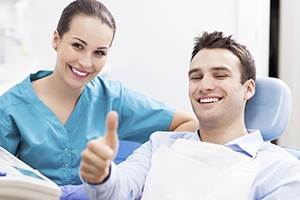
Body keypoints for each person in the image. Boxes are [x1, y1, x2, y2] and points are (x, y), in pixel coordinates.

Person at [79, 31, 300, 199]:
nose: (204, 86)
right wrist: (102, 175)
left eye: (220, 75)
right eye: (196, 77)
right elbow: (119, 190)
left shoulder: (280, 170)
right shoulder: (160, 145)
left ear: (248, 88)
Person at [0, 0, 198, 187]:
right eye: (78, 46)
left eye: (99, 52)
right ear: (56, 40)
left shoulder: (112, 99)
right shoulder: (10, 108)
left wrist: (136, 171)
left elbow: (189, 124)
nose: (86, 62)